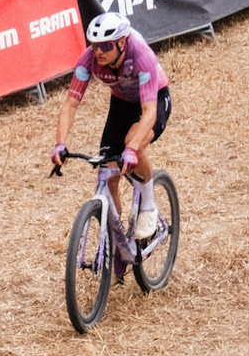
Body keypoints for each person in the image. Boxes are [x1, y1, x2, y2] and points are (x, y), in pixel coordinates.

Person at [50, 13, 172, 242]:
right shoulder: (88, 59)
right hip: (122, 103)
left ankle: (148, 207)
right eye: (94, 45)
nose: (98, 51)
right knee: (107, 175)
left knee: (133, 143)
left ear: (122, 42)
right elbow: (70, 104)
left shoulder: (140, 55)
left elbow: (149, 112)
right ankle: (118, 242)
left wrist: (131, 149)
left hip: (154, 99)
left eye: (105, 46)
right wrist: (60, 143)